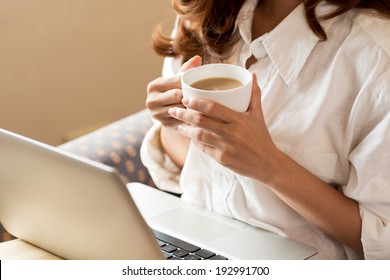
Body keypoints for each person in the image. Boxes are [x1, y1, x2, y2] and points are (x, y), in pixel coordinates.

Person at [140, 0, 390, 259]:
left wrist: (268, 165)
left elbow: (382, 239)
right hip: (192, 243)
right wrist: (173, 121)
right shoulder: (201, 13)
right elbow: (190, 164)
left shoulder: (376, 57)